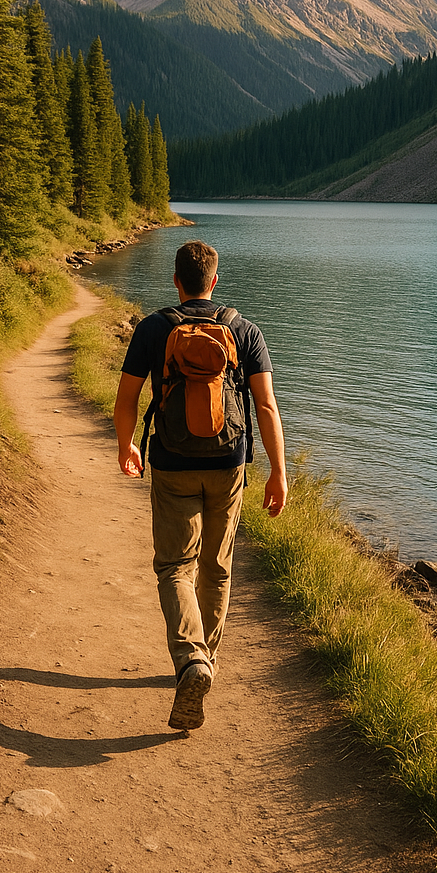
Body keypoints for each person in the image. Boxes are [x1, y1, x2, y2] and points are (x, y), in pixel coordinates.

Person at [113, 239, 287, 732]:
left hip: (171, 461)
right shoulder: (244, 330)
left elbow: (127, 398)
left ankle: (192, 662)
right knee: (217, 567)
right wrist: (278, 470)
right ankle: (204, 658)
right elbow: (267, 407)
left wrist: (127, 446)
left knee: (174, 566)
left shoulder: (153, 328)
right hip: (229, 461)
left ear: (176, 281)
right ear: (214, 281)